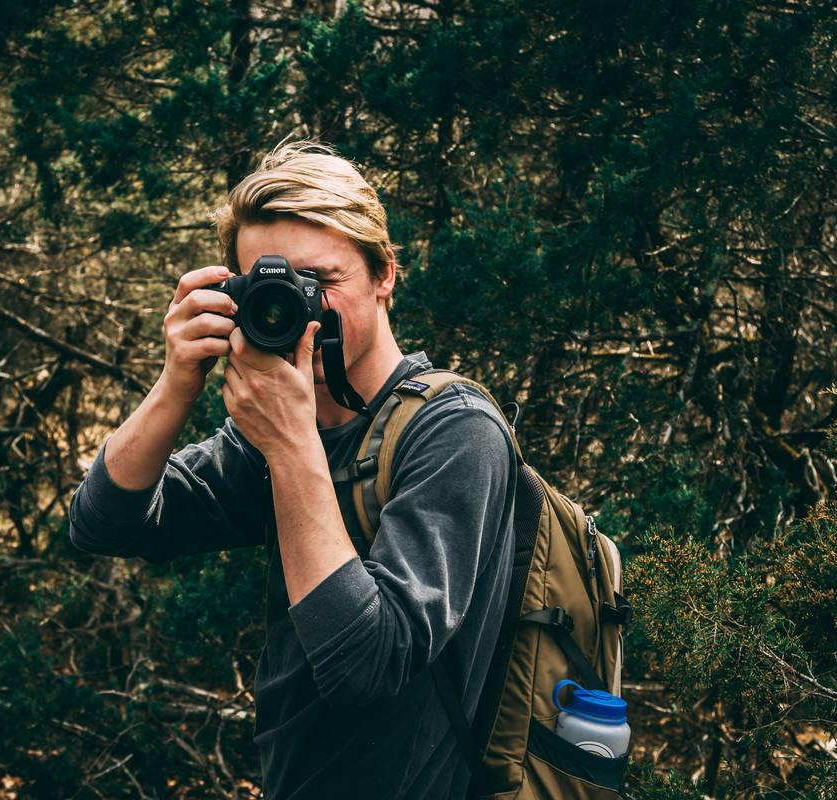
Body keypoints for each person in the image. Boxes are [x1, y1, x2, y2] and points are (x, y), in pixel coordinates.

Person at [68, 140, 517, 799]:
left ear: (384, 273)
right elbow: (103, 524)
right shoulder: (283, 430)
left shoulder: (455, 431)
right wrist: (174, 387)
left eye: (322, 282)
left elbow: (367, 663)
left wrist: (289, 445)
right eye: (273, 286)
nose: (301, 309)